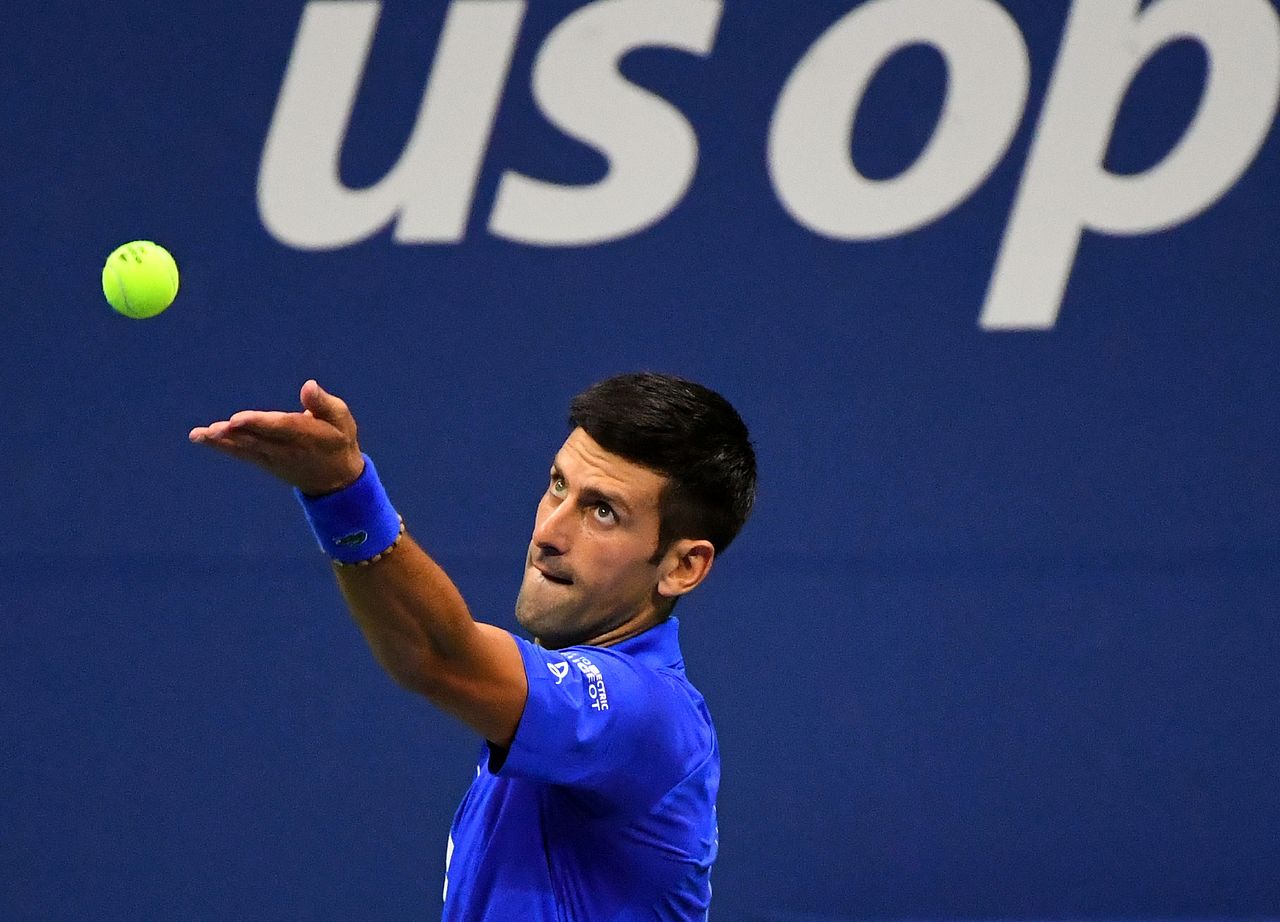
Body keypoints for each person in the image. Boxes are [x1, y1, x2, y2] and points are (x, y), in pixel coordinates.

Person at [189, 372, 756, 921]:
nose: (549, 533)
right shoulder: (549, 735)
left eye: (602, 511)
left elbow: (441, 659)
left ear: (683, 566)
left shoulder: (652, 715)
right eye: (558, 484)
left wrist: (341, 491)